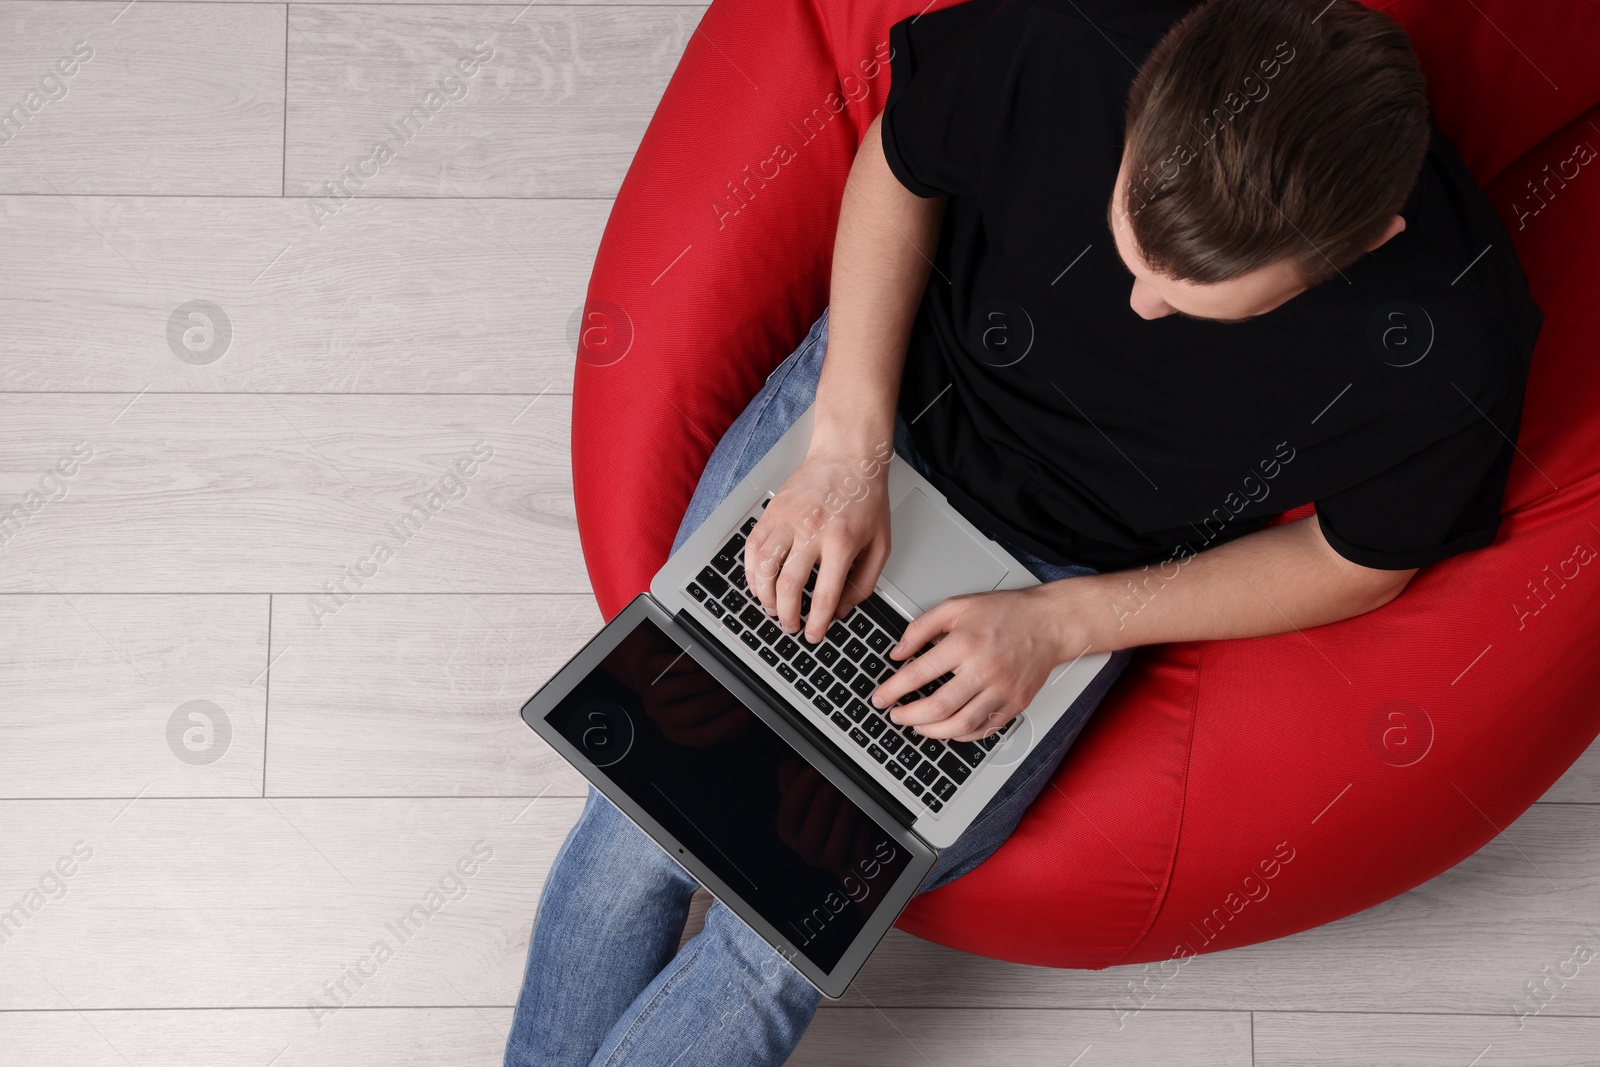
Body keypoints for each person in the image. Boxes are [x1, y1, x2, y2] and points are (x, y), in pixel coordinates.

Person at [505, 0, 1541, 1062]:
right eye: (1131, 249)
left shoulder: (1453, 342)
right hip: (877, 416)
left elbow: (1357, 564)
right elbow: (900, 165)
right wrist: (849, 447)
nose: (1136, 307)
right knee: (642, 813)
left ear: (1364, 244)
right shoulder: (1072, 36)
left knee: (779, 933)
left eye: (1194, 303)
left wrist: (1061, 624)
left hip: (1067, 569)